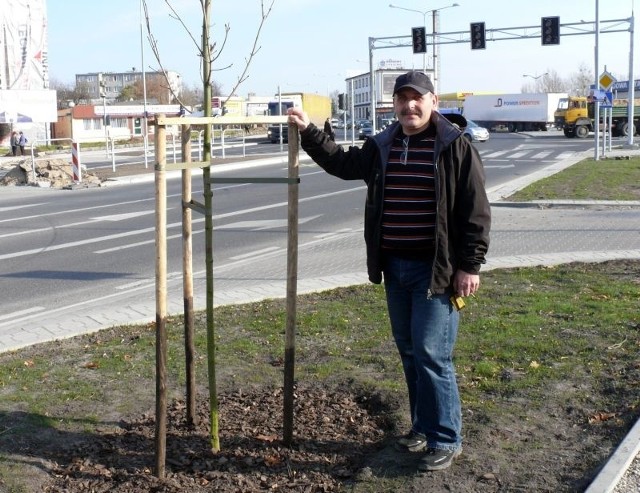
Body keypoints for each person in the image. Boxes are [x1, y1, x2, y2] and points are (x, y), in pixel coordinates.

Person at [288, 71, 491, 472]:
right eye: (402, 99)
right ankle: (422, 426)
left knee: (433, 355)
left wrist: (471, 265)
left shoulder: (455, 146)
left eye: (417, 99)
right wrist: (310, 132)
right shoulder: (383, 145)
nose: (409, 106)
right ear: (394, 104)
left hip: (438, 272)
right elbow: (343, 164)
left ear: (433, 102)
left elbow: (476, 210)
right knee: (411, 352)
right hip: (396, 269)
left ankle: (446, 437)